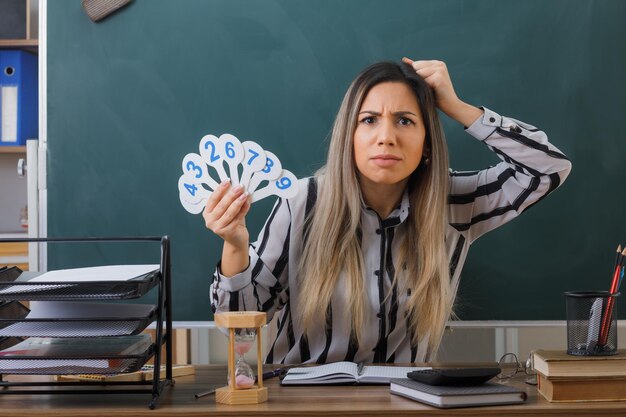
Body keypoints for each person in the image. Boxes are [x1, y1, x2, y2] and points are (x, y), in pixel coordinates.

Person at [206, 58, 572, 364]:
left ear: (427, 144)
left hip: (406, 402)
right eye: (369, 120)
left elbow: (548, 169)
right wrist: (235, 244)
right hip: (304, 400)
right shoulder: (303, 201)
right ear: (348, 137)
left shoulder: (453, 202)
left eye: (405, 120)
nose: (386, 137)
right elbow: (238, 325)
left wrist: (458, 108)